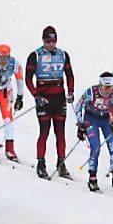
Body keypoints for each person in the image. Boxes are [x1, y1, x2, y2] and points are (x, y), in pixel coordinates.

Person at [25, 26, 76, 180]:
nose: (51, 44)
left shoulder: (63, 54)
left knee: (60, 133)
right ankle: (41, 163)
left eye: (53, 41)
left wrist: (71, 92)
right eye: (48, 41)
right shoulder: (35, 55)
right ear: (43, 40)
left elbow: (70, 75)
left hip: (59, 97)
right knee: (44, 131)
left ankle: (61, 164)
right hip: (44, 98)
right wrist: (35, 95)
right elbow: (28, 79)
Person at [77, 72, 113, 193]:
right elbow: (79, 106)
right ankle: (92, 179)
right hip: (91, 118)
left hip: (107, 119)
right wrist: (80, 124)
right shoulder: (92, 92)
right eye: (105, 87)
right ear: (100, 85)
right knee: (96, 147)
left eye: (110, 87)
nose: (108, 90)